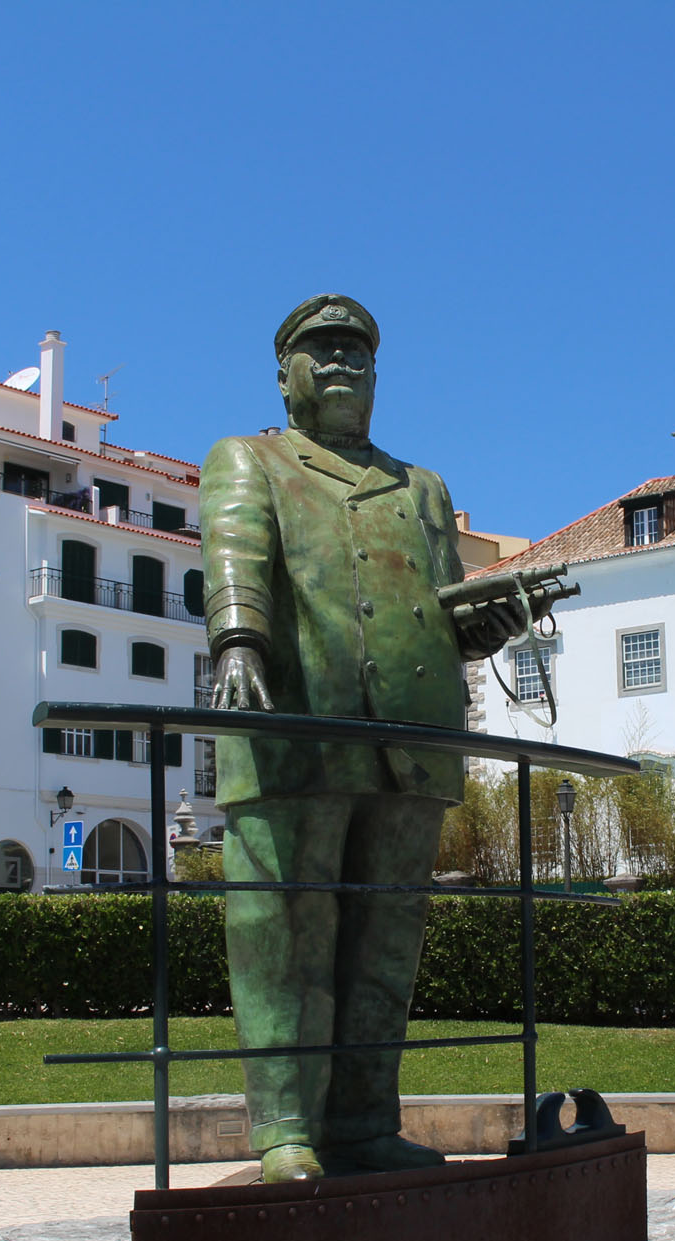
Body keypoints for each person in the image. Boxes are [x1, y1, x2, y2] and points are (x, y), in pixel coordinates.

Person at [201, 294, 534, 1184]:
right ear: (286, 375)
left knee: (386, 944)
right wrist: (238, 638)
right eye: (323, 349)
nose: (343, 361)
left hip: (411, 743)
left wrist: (484, 625)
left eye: (357, 350)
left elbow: (437, 610)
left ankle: (362, 1122)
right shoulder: (251, 460)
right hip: (293, 733)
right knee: (285, 935)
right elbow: (234, 552)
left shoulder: (422, 488)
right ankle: (283, 1132)